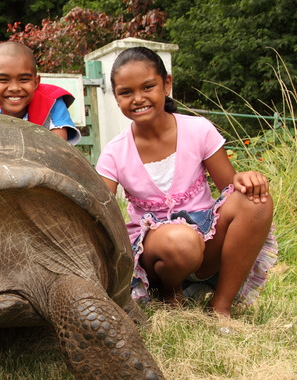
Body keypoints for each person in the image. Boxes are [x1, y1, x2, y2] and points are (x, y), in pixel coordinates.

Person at [95, 46, 277, 318]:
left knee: (255, 201)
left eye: (148, 87)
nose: (138, 98)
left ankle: (221, 306)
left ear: (166, 84)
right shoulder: (114, 152)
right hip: (158, 251)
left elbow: (231, 188)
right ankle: (170, 291)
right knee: (181, 241)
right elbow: (102, 211)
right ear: (116, 98)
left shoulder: (198, 129)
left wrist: (246, 179)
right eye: (126, 92)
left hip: (207, 238)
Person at [0, 41, 81, 145]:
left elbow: (56, 147)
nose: (15, 88)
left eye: (23, 79)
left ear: (35, 83)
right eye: (3, 80)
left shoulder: (52, 104)